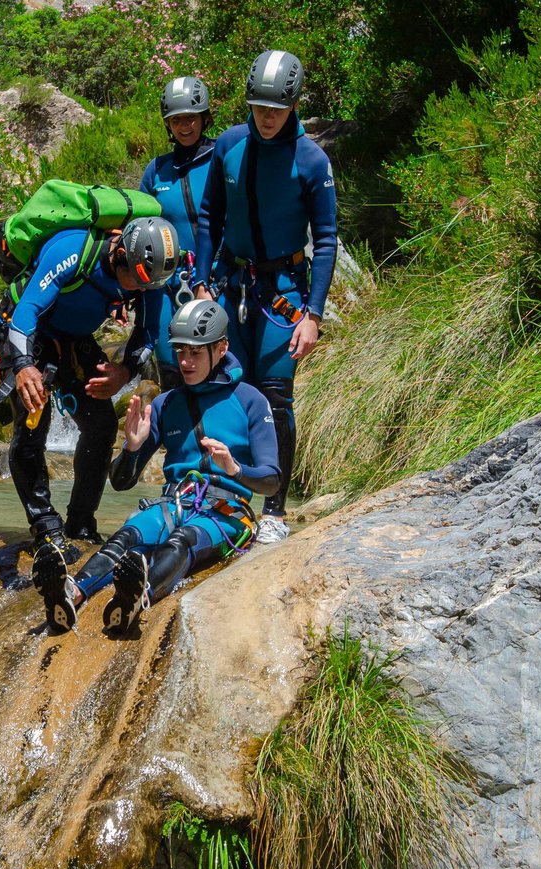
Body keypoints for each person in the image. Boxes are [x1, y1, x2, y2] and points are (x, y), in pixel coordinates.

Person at [32, 299, 280, 634]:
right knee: (124, 539)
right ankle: (70, 593)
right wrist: (132, 447)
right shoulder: (165, 404)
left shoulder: (251, 400)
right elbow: (121, 482)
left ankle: (137, 597)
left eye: (195, 353)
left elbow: (272, 481)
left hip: (227, 512)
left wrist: (235, 469)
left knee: (181, 541)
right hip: (173, 503)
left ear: (221, 348)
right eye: (180, 352)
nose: (185, 362)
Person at [193, 49, 337, 544]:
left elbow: (326, 237)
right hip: (232, 284)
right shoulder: (230, 145)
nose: (267, 117)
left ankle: (274, 510)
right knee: (233, 389)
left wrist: (313, 313)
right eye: (259, 108)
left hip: (283, 293)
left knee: (275, 396)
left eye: (276, 108)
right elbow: (209, 214)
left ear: (294, 104)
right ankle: (232, 502)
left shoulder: (311, 160)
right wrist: (203, 280)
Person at [0, 216, 180, 563]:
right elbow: (26, 314)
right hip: (26, 334)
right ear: (120, 255)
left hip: (73, 340)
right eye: (139, 282)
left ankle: (80, 523)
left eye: (150, 285)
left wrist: (125, 370)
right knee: (34, 420)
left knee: (101, 425)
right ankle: (45, 528)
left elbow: (147, 334)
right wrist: (22, 366)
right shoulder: (72, 251)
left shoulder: (148, 277)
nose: (142, 291)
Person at [139, 76, 217, 390]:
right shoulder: (156, 171)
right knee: (172, 372)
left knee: (215, 367)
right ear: (168, 125)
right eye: (177, 120)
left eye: (191, 118)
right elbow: (140, 233)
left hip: (215, 278)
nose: (185, 126)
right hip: (166, 284)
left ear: (205, 118)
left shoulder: (220, 158)